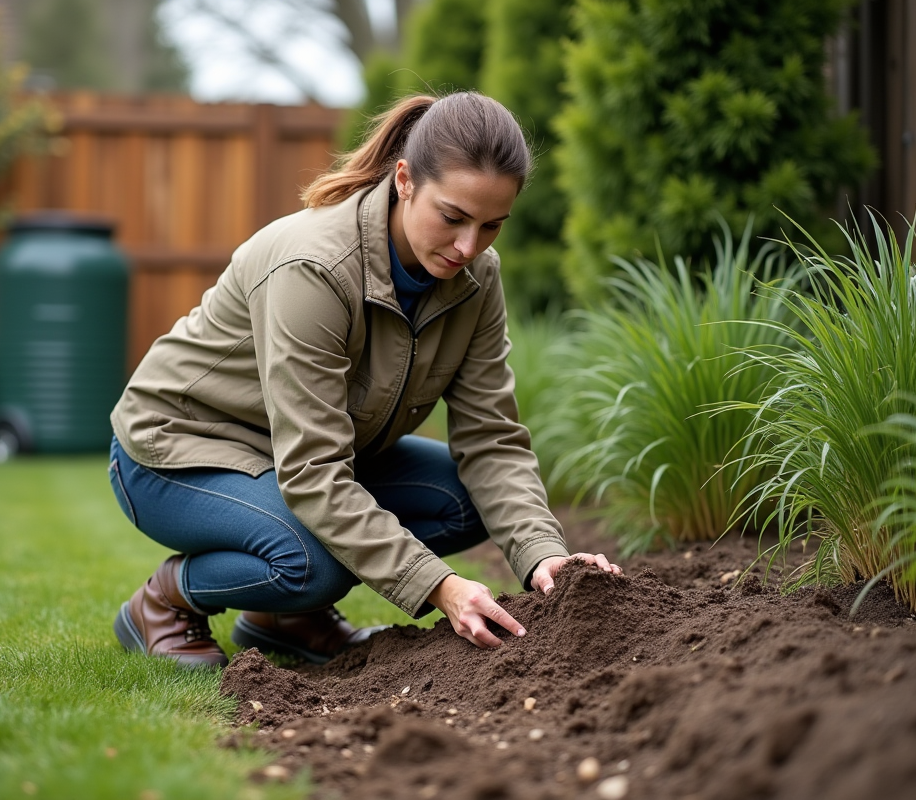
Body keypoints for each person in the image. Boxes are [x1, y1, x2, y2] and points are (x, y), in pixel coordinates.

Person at [107, 91, 621, 670]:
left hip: (289, 457)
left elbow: (492, 438)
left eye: (491, 225)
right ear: (404, 180)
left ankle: (283, 618)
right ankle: (164, 601)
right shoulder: (315, 269)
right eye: (452, 217)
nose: (468, 246)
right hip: (174, 450)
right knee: (309, 563)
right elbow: (314, 472)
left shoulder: (477, 278)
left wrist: (545, 557)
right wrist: (440, 586)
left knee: (463, 501)